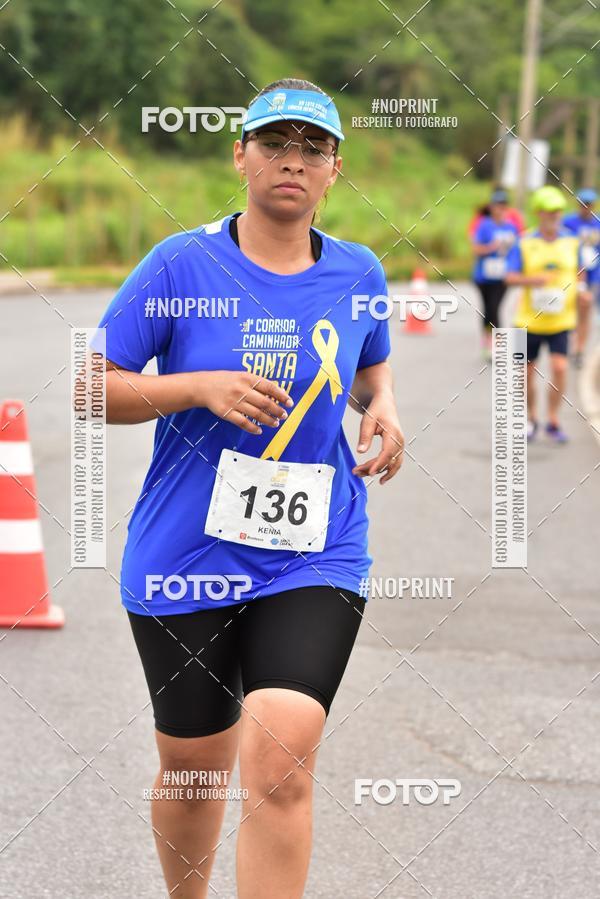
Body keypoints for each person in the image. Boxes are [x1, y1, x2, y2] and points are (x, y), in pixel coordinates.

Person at [90, 78, 404, 898]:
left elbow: (369, 366)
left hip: (313, 549)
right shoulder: (180, 263)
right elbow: (95, 388)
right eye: (274, 144)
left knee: (282, 753)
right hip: (185, 550)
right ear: (241, 156)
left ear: (335, 169)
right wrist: (195, 387)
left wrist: (386, 410)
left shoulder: (358, 269)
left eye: (312, 149)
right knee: (194, 767)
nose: (292, 162)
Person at [505, 185, 591, 443]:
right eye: (549, 211)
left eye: (558, 211)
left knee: (560, 367)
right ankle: (531, 419)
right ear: (538, 213)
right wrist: (533, 280)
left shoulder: (572, 242)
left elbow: (581, 272)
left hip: (561, 320)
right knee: (526, 373)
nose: (554, 216)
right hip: (527, 321)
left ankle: (553, 418)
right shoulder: (524, 242)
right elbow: (509, 278)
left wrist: (583, 291)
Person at [471, 188, 520, 359]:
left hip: (502, 277)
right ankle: (487, 342)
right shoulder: (484, 225)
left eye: (503, 205)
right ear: (491, 207)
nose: (500, 208)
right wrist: (491, 247)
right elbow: (476, 249)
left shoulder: (511, 227)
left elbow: (517, 250)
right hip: (484, 277)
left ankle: (496, 346)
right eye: (497, 205)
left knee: (495, 308)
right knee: (487, 310)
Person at [562, 187, 600, 364]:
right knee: (570, 309)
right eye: (583, 204)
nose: (586, 207)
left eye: (590, 204)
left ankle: (579, 349)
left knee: (585, 309)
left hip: (593, 274)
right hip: (571, 273)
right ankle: (569, 340)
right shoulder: (568, 222)